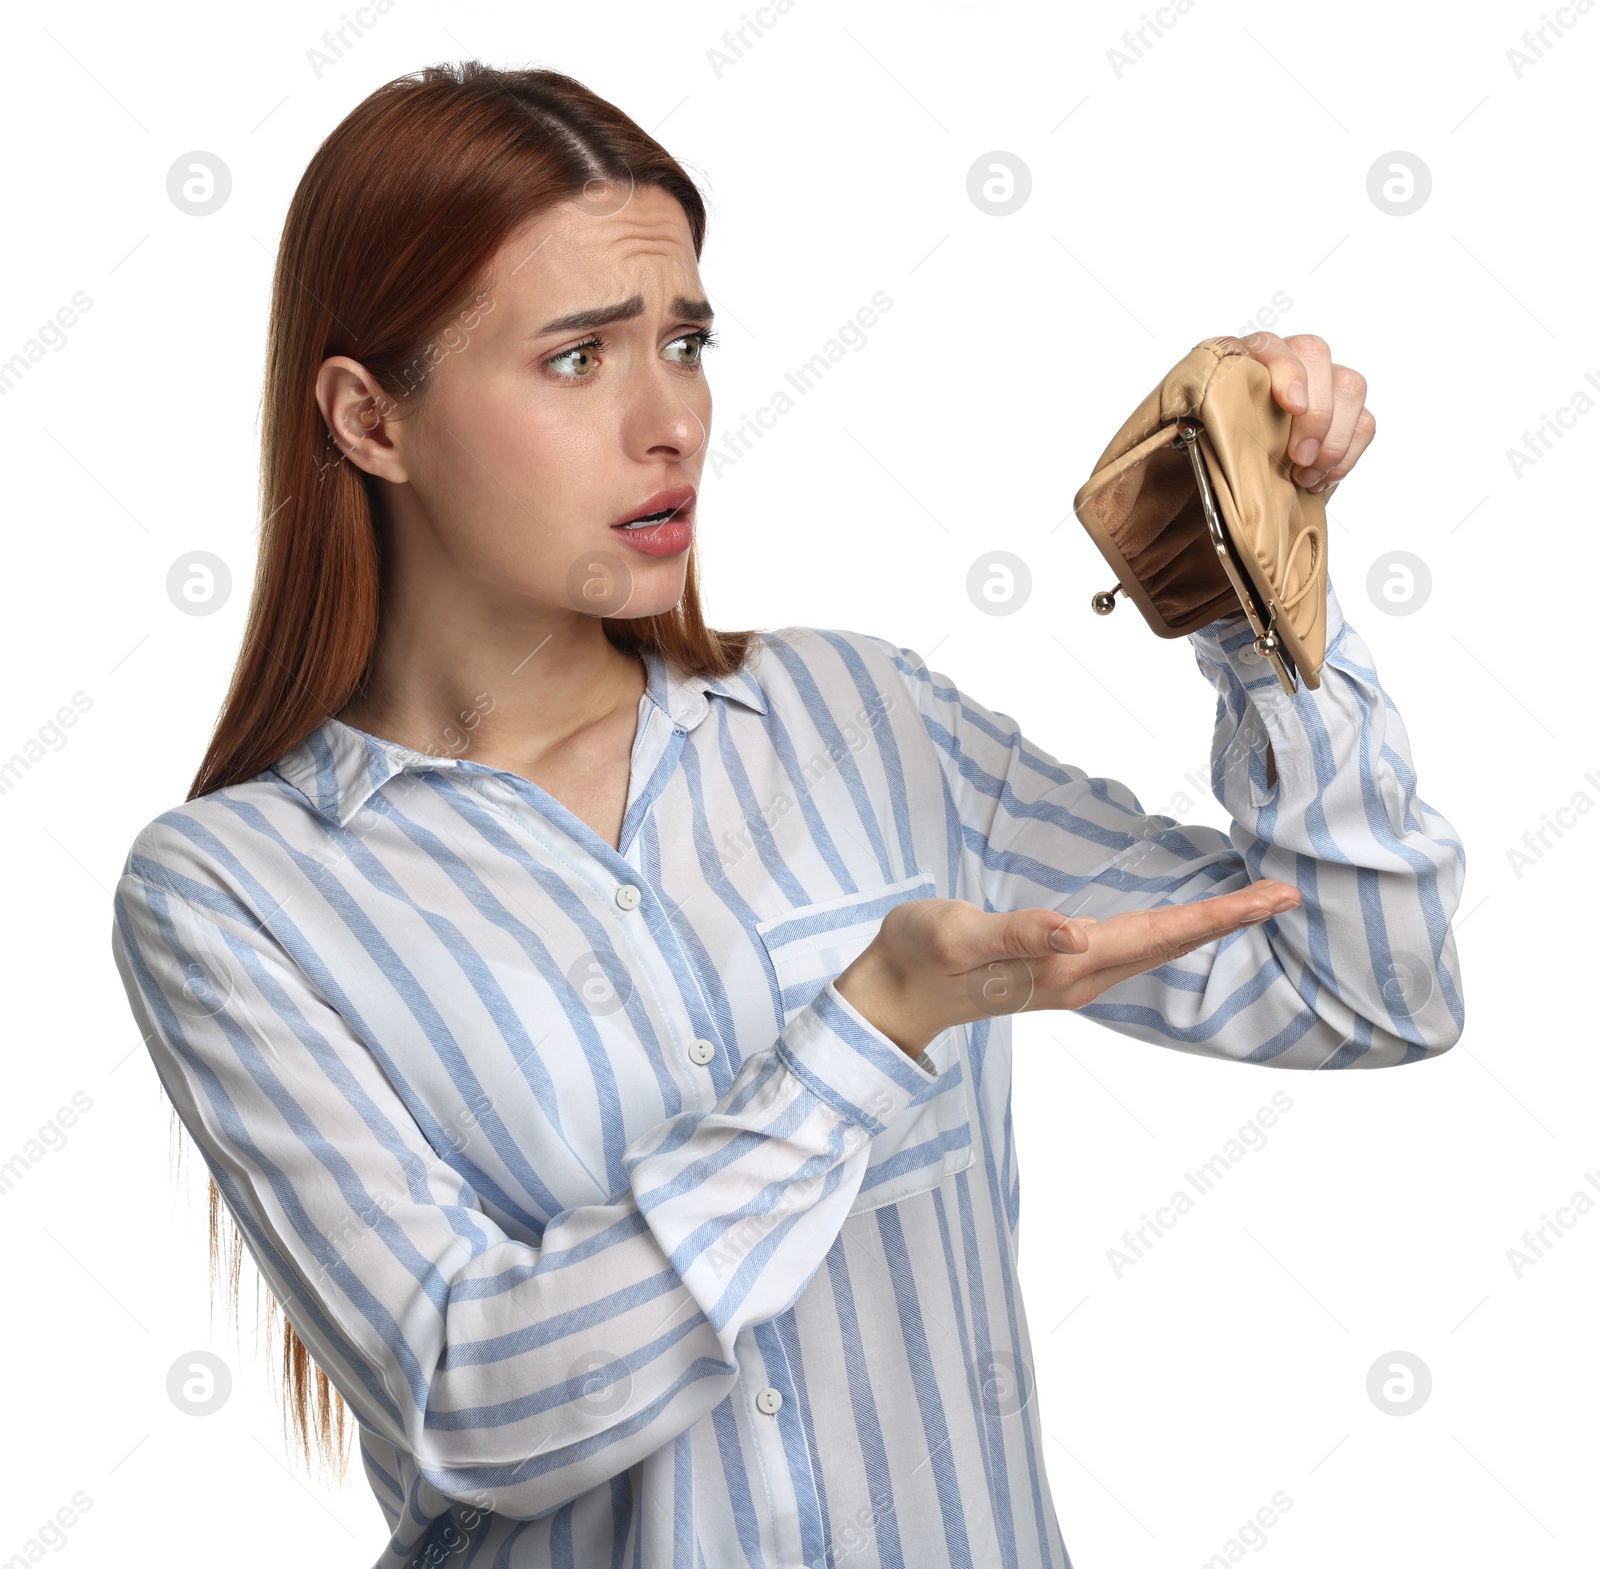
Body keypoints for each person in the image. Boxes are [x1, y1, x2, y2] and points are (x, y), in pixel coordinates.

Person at [108, 60, 1465, 1569]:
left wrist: (1259, 601)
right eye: (576, 358)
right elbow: (479, 1401)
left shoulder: (862, 722)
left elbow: (1364, 988)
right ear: (371, 416)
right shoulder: (229, 895)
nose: (668, 420)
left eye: (684, 341)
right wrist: (865, 1033)